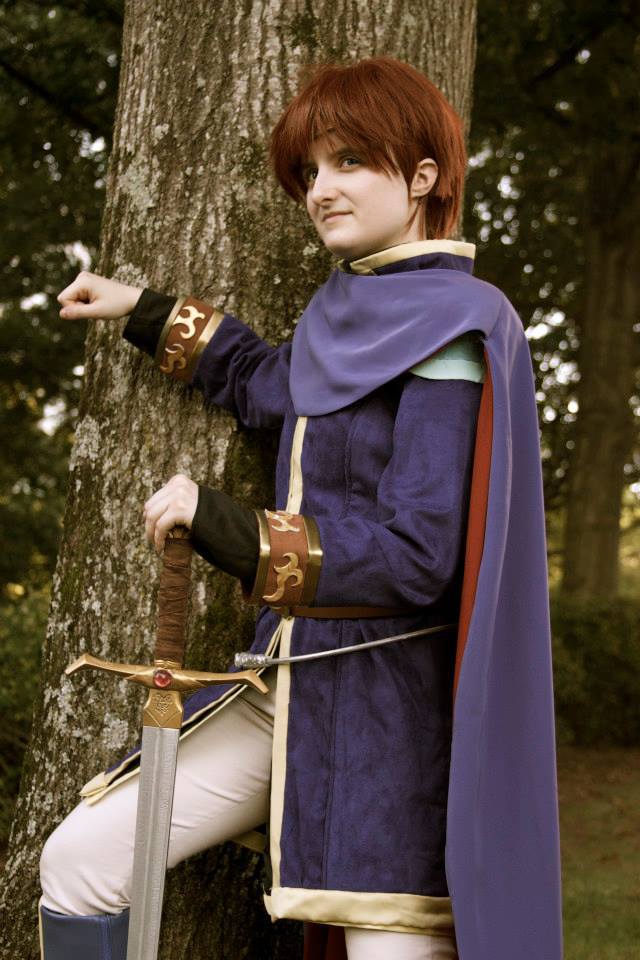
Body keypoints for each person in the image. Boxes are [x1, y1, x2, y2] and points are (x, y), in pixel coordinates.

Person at [40, 56, 562, 960]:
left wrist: (230, 528)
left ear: (423, 177)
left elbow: (419, 552)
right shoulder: (339, 312)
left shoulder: (459, 329)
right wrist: (144, 310)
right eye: (310, 170)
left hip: (394, 723)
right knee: (80, 862)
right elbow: (264, 381)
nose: (321, 188)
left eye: (349, 161)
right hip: (285, 684)